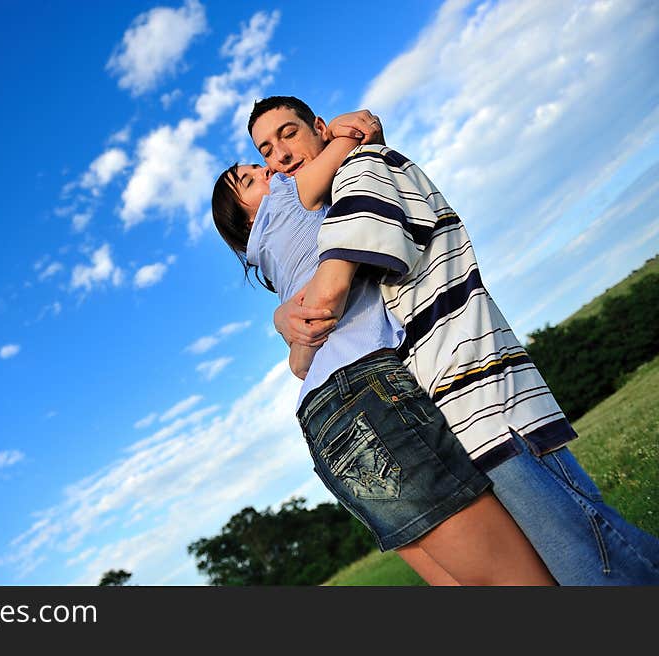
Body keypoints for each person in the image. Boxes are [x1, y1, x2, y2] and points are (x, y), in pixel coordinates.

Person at [250, 95, 659, 585]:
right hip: (460, 403)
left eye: (289, 133)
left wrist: (285, 320)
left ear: (319, 127)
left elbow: (328, 293)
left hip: (481, 397)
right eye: (267, 149)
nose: (280, 155)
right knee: (582, 557)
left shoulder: (363, 172)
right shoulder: (339, 194)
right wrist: (283, 316)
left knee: (596, 562)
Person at [212, 129, 556, 585]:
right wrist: (346, 134)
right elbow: (346, 139)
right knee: (520, 579)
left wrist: (282, 321)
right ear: (249, 216)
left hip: (319, 418)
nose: (265, 169)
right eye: (250, 176)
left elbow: (298, 363)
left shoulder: (273, 262)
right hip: (365, 389)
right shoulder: (286, 199)